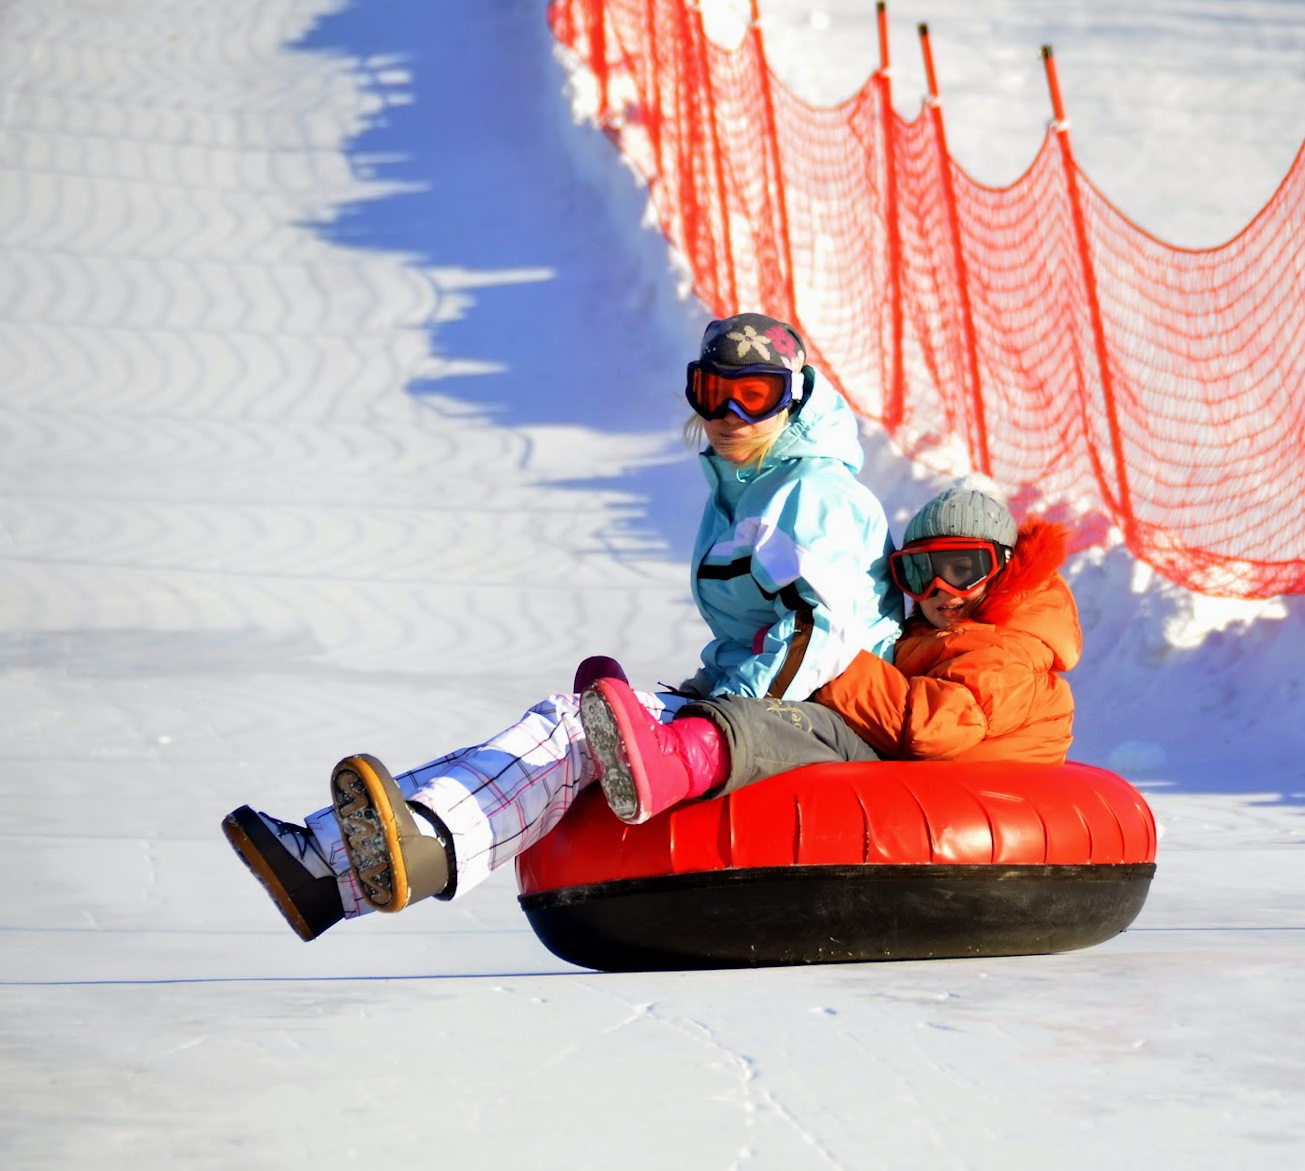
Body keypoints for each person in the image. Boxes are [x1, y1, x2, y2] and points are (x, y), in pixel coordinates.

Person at [221, 312, 903, 940]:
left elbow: (821, 628)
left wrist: (723, 709)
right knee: (568, 721)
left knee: (575, 730)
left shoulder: (813, 493)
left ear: (794, 395)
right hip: (764, 698)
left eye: (752, 395)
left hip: (818, 713)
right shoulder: (742, 487)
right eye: (711, 389)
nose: (728, 413)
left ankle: (418, 845)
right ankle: (331, 863)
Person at [577, 483, 1079, 824]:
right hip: (916, 776)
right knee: (806, 711)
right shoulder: (937, 634)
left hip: (955, 794)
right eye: (921, 574)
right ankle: (650, 728)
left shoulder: (1008, 648)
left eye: (964, 568)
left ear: (1006, 569)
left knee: (807, 726)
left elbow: (932, 728)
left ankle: (680, 757)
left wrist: (836, 663)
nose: (942, 590)